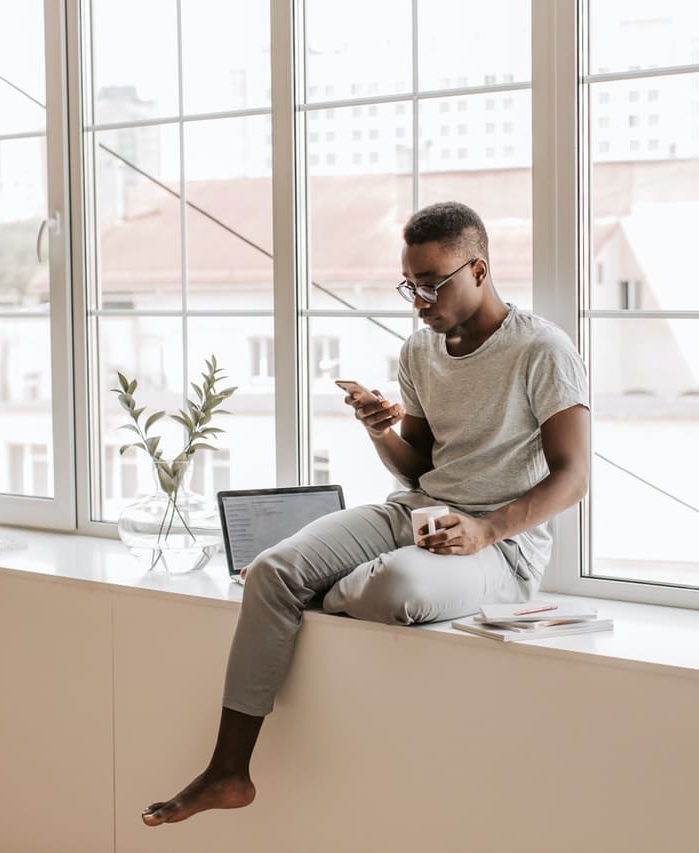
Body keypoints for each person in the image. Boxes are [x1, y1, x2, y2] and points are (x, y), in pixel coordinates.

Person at [141, 200, 591, 826]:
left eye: (433, 283)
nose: (419, 300)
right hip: (414, 512)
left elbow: (574, 476)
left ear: (479, 271)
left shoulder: (542, 348)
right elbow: (419, 469)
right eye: (411, 284)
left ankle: (322, 591)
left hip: (499, 549)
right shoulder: (420, 351)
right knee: (272, 571)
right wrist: (382, 431)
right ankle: (228, 770)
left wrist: (487, 528)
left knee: (394, 588)